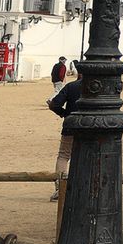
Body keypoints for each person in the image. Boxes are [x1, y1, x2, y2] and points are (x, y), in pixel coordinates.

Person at [47, 68, 85, 202]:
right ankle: (84, 188)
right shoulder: (98, 87)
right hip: (90, 128)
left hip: (70, 125)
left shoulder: (71, 86)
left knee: (63, 156)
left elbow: (54, 104)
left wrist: (64, 113)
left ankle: (60, 188)